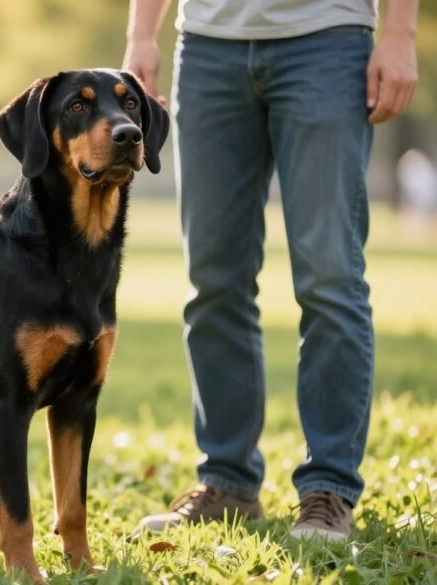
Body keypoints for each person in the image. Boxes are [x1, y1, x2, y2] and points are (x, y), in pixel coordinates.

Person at [123, 0, 418, 541]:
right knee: (213, 281)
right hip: (208, 46)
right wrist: (143, 32)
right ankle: (227, 482)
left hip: (327, 38)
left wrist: (400, 32)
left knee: (330, 277)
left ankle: (329, 489)